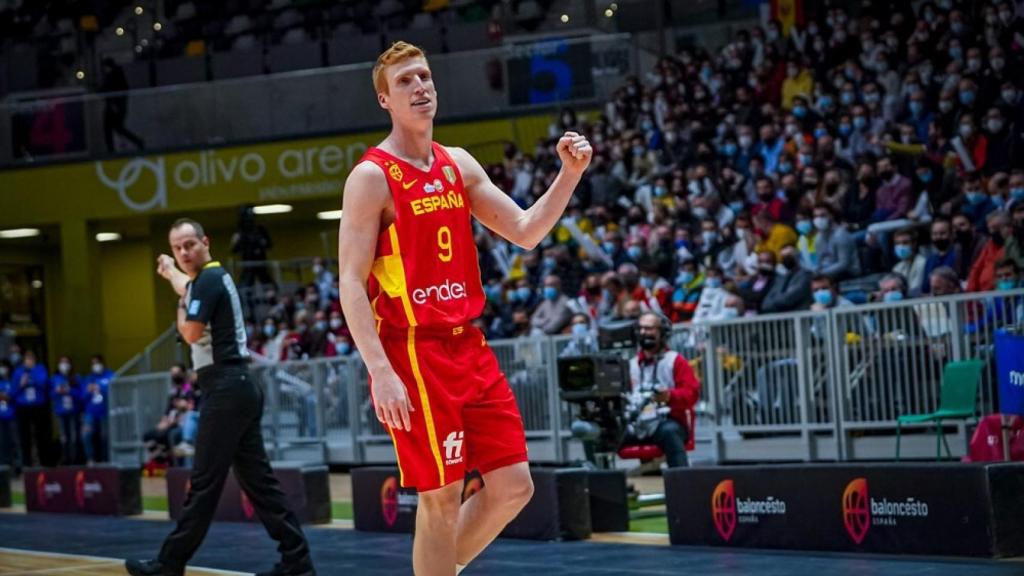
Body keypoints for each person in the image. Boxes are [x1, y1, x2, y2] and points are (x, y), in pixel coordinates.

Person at [336, 41, 591, 576]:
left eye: (424, 76)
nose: (420, 87)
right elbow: (351, 284)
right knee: (441, 498)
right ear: (384, 99)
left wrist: (567, 174)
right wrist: (379, 371)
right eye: (404, 81)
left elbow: (524, 231)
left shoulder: (459, 164)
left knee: (513, 485)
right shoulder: (371, 177)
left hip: (467, 345)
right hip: (412, 349)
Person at [126, 219, 314, 576]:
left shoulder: (208, 280)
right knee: (260, 485)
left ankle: (169, 564)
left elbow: (192, 332)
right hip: (237, 387)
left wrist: (180, 310)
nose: (184, 252)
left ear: (206, 242)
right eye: (178, 247)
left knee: (204, 484)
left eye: (190, 245)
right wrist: (170, 275)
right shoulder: (209, 279)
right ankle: (298, 563)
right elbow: (188, 286)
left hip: (226, 389)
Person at [622, 312, 700, 468]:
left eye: (649, 328)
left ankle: (682, 482)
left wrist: (669, 396)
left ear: (662, 332)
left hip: (667, 422)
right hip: (636, 423)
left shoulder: (675, 360)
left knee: (670, 432)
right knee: (600, 434)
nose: (644, 333)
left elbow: (692, 394)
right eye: (641, 328)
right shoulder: (631, 365)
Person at [11, 350, 54, 467]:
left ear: (34, 360)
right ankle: (27, 464)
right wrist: (21, 384)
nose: (29, 361)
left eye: (31, 359)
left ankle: (45, 462)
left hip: (38, 406)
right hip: (23, 407)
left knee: (41, 435)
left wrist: (32, 376)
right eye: (27, 359)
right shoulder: (18, 372)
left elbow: (44, 383)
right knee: (25, 437)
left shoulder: (40, 369)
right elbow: (13, 392)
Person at [100, 57, 144, 152]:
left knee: (110, 129)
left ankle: (111, 151)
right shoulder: (117, 76)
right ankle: (137, 141)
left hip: (113, 108)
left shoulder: (112, 77)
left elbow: (108, 90)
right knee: (116, 128)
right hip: (116, 107)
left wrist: (114, 105)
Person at [81, 354, 112, 464]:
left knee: (105, 437)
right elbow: (82, 396)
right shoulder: (88, 378)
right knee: (86, 435)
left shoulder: (110, 375)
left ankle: (105, 460)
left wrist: (100, 387)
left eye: (97, 363)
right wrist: (88, 390)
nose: (95, 365)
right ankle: (90, 458)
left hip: (105, 412)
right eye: (93, 363)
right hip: (90, 412)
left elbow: (114, 390)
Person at [50, 356, 81, 465]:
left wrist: (69, 390)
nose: (64, 365)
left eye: (66, 362)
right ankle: (65, 459)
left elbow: (80, 394)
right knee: (64, 437)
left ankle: (75, 459)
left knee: (73, 436)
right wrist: (58, 391)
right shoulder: (55, 378)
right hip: (61, 411)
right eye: (62, 362)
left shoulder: (75, 377)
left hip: (73, 411)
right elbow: (51, 395)